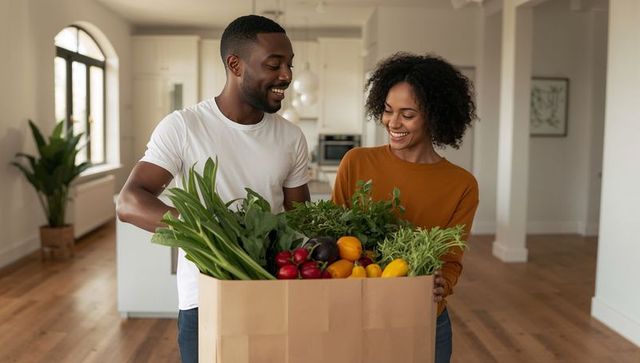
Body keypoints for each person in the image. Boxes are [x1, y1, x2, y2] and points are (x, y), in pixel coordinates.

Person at [116, 15, 310, 363]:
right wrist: (212, 233)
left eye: (289, 64)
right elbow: (130, 201)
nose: (287, 75)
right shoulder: (185, 126)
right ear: (234, 64)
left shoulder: (291, 137)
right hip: (205, 296)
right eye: (274, 64)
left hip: (275, 292)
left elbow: (302, 222)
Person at [332, 52, 479, 363]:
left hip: (423, 315)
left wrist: (443, 284)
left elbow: (451, 260)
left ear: (435, 116)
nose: (392, 123)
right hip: (358, 312)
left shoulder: (461, 184)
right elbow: (335, 239)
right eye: (387, 111)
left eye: (407, 114)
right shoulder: (356, 162)